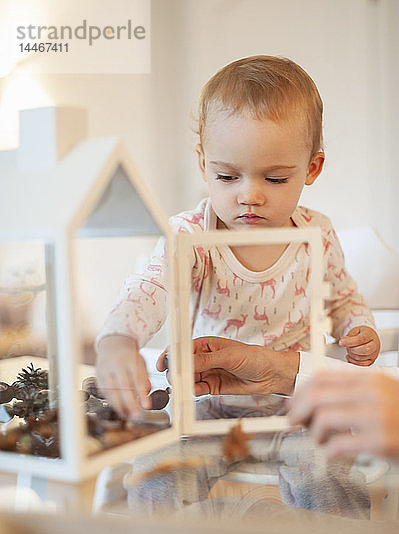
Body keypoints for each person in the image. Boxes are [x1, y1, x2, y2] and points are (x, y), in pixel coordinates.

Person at [96, 55, 379, 418]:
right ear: (204, 165)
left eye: (274, 179)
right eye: (228, 177)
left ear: (312, 168)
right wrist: (118, 338)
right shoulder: (191, 234)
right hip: (207, 400)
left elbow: (341, 299)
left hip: (299, 399)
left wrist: (359, 328)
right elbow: (152, 287)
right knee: (169, 472)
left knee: (329, 468)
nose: (249, 195)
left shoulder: (317, 233)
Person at [191, 336, 399, 460]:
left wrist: (361, 325)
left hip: (297, 417)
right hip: (222, 411)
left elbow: (346, 300)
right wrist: (278, 370)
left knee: (319, 468)